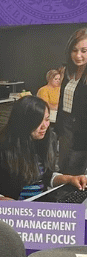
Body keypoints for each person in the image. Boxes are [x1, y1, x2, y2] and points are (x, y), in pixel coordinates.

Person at [0, 95, 87, 212]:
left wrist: (69, 179)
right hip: (17, 214)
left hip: (39, 208)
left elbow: (45, 176)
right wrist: (0, 200)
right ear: (24, 122)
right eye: (38, 121)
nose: (44, 126)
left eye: (46, 119)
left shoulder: (47, 140)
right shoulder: (1, 150)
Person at [57, 28, 87, 174]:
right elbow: (62, 101)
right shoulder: (68, 71)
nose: (78, 55)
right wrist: (58, 129)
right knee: (62, 166)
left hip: (82, 132)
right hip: (65, 127)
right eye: (74, 50)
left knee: (75, 170)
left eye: (84, 50)